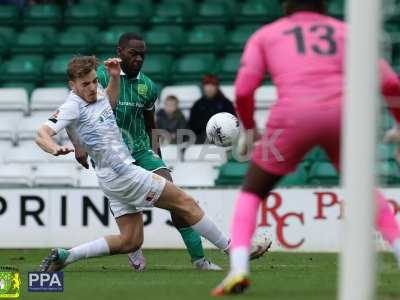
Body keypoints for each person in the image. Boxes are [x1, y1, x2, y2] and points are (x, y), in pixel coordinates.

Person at [212, 0, 400, 296]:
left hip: (292, 116)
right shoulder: (346, 31)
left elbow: (245, 89)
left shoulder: (267, 35)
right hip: (342, 114)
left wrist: (250, 129)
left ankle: (238, 269)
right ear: (323, 6)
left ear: (287, 6)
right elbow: (391, 83)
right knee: (365, 189)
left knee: (252, 192)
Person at [35, 56, 270, 272]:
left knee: (130, 240)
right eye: (85, 84)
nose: (91, 87)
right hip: (123, 173)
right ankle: (235, 251)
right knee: (185, 202)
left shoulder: (97, 94)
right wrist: (54, 147)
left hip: (111, 180)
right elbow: (42, 133)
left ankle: (66, 256)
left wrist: (115, 77)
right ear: (72, 85)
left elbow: (111, 101)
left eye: (94, 81)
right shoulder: (72, 105)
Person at [72, 33, 220, 271]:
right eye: (133, 53)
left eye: (143, 54)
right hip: (110, 154)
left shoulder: (148, 87)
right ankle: (133, 244)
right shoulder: (98, 78)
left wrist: (157, 156)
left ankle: (199, 259)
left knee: (174, 194)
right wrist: (78, 146)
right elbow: (75, 111)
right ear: (119, 51)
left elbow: (151, 125)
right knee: (123, 198)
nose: (139, 58)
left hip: (140, 149)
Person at [188, 74, 236, 144]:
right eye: (207, 85)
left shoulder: (226, 103)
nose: (210, 88)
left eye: (212, 85)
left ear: (217, 87)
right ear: (203, 87)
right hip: (202, 138)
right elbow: (193, 125)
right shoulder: (197, 105)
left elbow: (232, 122)